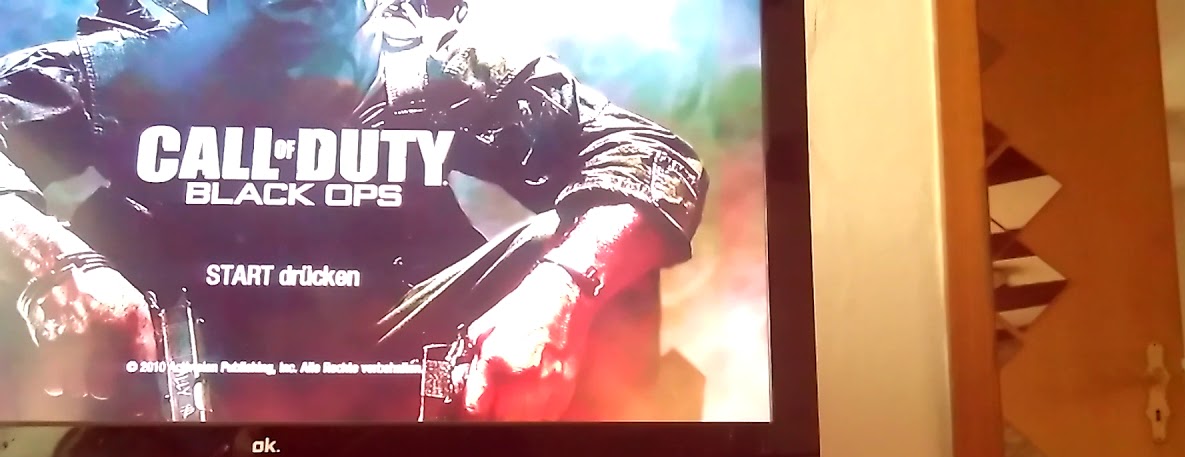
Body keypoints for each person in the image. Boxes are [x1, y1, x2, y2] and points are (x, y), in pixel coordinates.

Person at [0, 0, 708, 422]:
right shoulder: (136, 66)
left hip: (405, 393)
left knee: (595, 245)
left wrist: (563, 290)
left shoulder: (438, 65)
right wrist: (54, 268)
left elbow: (651, 156)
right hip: (160, 389)